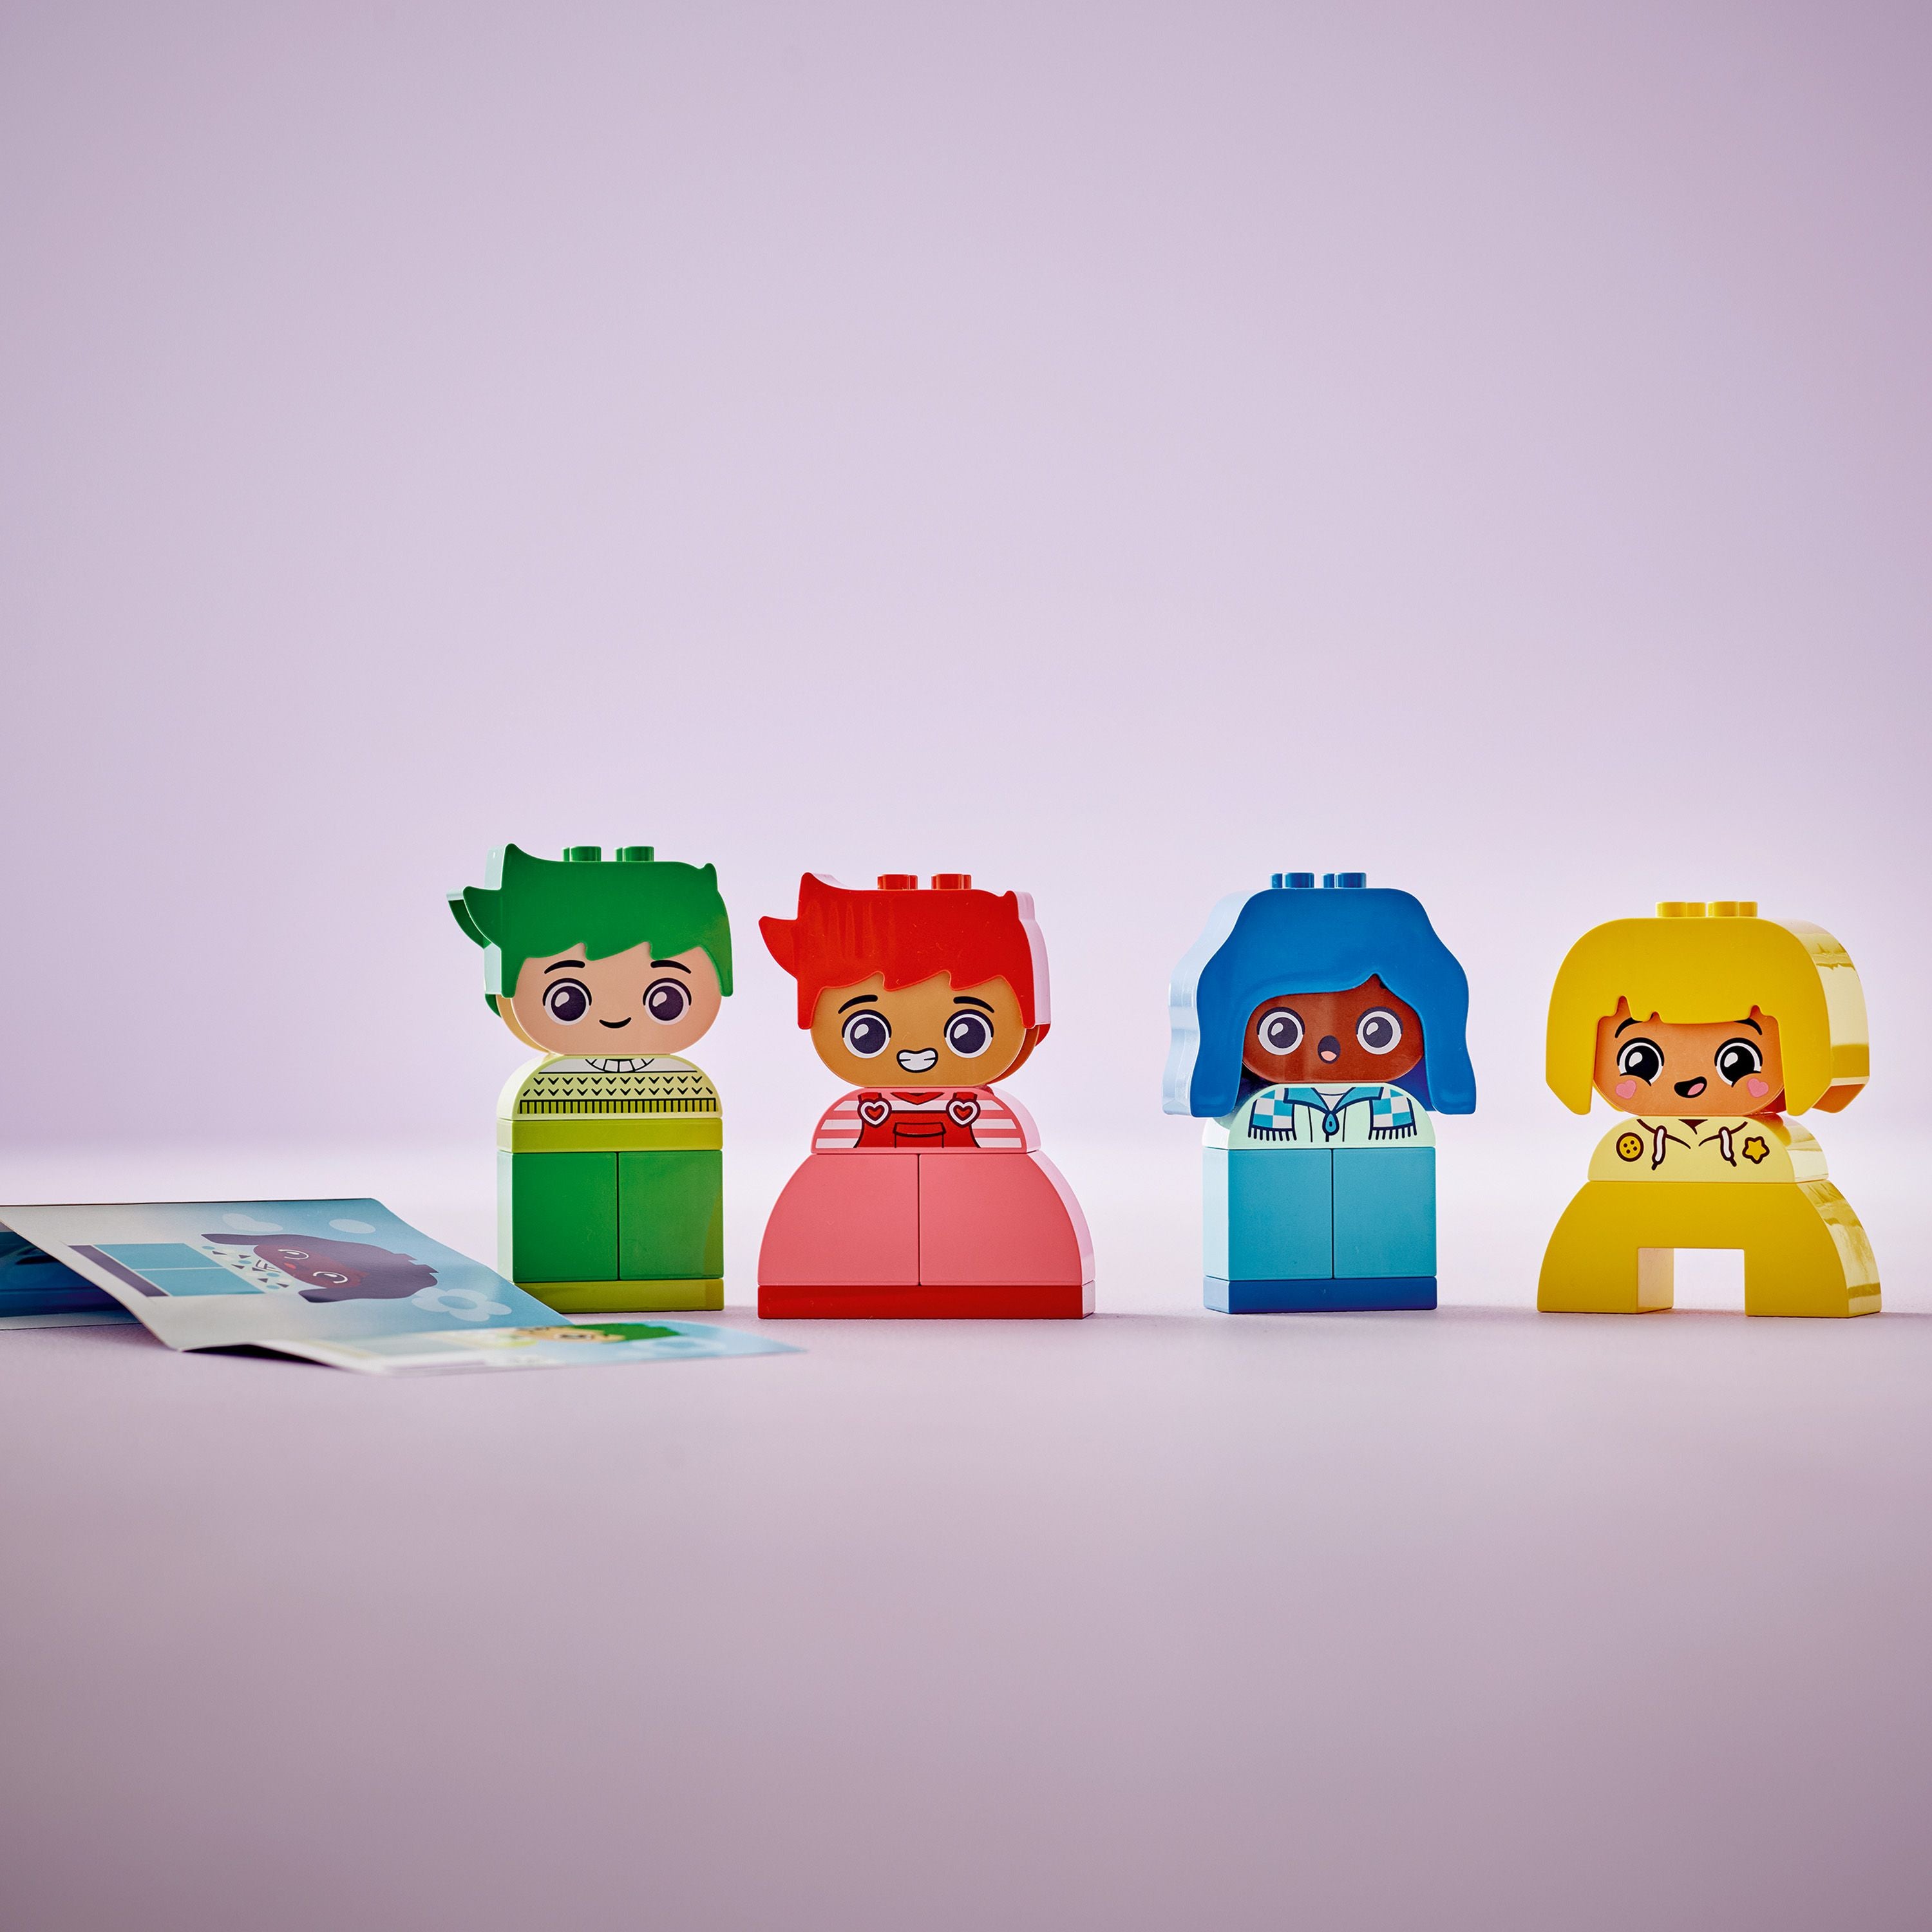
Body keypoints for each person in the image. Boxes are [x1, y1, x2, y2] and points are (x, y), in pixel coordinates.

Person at [757, 871, 1092, 1318]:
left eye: (968, 1031)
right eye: (868, 1032)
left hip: (985, 1251)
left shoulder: (997, 1126)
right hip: (864, 1252)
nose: (917, 1053)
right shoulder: (847, 1123)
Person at [1538, 900, 1877, 1317]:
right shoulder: (1623, 1153)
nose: (1690, 1081)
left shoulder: (1777, 1156)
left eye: (1739, 1058)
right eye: (1640, 1059)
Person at [1164, 871, 1475, 1312]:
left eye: (1377, 1030)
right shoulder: (1255, 1114)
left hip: (1383, 1222)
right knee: (1274, 1232)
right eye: (1282, 1030)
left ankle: (1388, 1280)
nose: (1328, 1048)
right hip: (1269, 1239)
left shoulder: (1400, 1110)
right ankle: (1275, 1283)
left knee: (1384, 1229)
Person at [449, 844, 732, 1311]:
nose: (617, 1017)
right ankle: (560, 1283)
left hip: (668, 1162)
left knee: (667, 1220)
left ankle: (676, 1280)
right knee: (564, 1227)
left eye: (665, 998)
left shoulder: (690, 1085)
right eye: (568, 998)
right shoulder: (538, 1086)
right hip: (559, 1156)